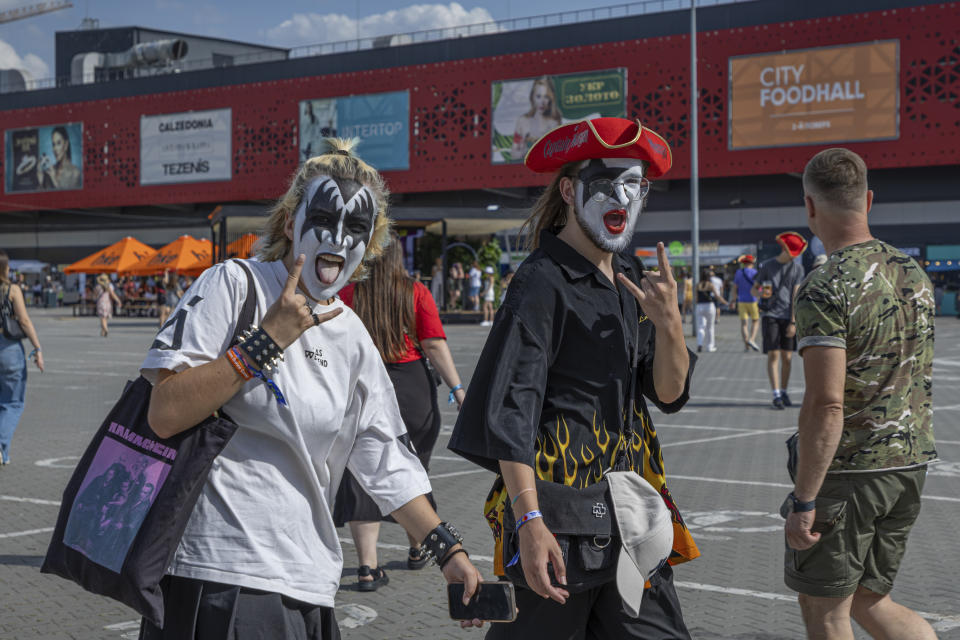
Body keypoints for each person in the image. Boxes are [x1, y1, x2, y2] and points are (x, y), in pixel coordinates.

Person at [138, 138, 482, 639]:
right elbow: (164, 411)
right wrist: (263, 342)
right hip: (219, 576)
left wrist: (449, 552)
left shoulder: (350, 332)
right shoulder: (235, 286)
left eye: (357, 227)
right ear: (289, 223)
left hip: (307, 579)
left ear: (372, 243)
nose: (339, 238)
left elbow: (384, 458)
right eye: (324, 217)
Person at [449, 117, 700, 639]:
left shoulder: (629, 277)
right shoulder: (541, 282)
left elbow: (670, 393)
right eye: (606, 184)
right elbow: (510, 414)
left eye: (634, 186)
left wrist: (671, 325)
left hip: (632, 518)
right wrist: (529, 523)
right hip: (559, 523)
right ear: (569, 190)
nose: (622, 198)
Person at [784, 147, 938, 640]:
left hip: (852, 471)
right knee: (871, 600)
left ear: (810, 206)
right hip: (909, 463)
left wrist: (804, 499)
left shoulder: (825, 285)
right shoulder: (914, 273)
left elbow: (826, 403)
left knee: (824, 608)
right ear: (868, 200)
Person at [335, 231, 467, 591]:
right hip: (412, 389)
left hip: (364, 387)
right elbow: (434, 345)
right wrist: (457, 388)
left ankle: (367, 567)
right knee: (413, 471)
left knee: (360, 479)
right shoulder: (415, 292)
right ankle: (417, 548)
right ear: (398, 259)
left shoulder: (348, 293)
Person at [752, 231, 807, 410]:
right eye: (790, 251)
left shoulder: (798, 269)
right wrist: (761, 293)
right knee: (774, 354)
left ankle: (784, 390)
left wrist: (793, 322)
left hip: (787, 317)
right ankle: (776, 394)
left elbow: (796, 295)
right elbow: (755, 289)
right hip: (771, 315)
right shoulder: (767, 266)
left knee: (788, 357)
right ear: (783, 248)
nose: (792, 255)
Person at [0, 249, 44, 466]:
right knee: (12, 402)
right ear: (6, 268)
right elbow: (24, 321)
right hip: (8, 349)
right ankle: (0, 446)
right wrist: (37, 348)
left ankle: (3, 453)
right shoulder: (12, 289)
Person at [510, 76, 563, 158]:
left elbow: (560, 153)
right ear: (532, 97)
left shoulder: (555, 123)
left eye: (546, 97)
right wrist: (522, 151)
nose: (542, 102)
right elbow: (514, 154)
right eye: (538, 96)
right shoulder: (522, 121)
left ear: (551, 99)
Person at [731, 254, 760, 351]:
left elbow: (735, 288)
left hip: (741, 301)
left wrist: (733, 300)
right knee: (755, 321)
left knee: (744, 324)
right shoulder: (755, 272)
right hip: (753, 300)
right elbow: (758, 288)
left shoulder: (738, 272)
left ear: (743, 263)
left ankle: (746, 346)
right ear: (752, 263)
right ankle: (751, 339)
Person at [38, 126, 81, 190]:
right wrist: (40, 181)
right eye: (53, 144)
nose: (55, 149)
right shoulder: (49, 171)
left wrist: (54, 180)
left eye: (58, 143)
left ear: (66, 145)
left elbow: (70, 197)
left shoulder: (75, 173)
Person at [695, 266, 727, 353]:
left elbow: (696, 299)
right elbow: (717, 296)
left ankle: (699, 343)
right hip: (709, 306)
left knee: (701, 327)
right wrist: (725, 302)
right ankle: (710, 346)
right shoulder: (710, 285)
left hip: (699, 306)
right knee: (710, 327)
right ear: (708, 276)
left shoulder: (698, 285)